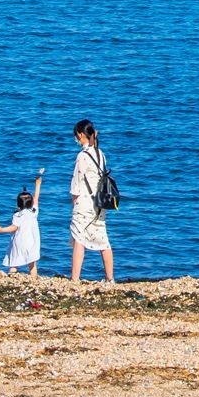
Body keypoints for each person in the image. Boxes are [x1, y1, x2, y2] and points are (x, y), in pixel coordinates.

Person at [69, 120, 115, 284]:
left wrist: (73, 202)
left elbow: (76, 183)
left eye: (77, 136)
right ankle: (110, 278)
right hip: (99, 203)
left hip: (84, 202)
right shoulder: (100, 154)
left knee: (79, 238)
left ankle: (75, 278)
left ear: (81, 135)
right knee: (103, 239)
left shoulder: (82, 156)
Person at [0, 171, 44, 275]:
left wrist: (1, 229)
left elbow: (13, 227)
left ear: (18, 204)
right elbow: (36, 197)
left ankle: (12, 275)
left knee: (14, 262)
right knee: (32, 264)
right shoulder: (34, 211)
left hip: (19, 242)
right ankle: (34, 278)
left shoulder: (18, 215)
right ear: (31, 203)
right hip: (31, 242)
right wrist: (38, 184)